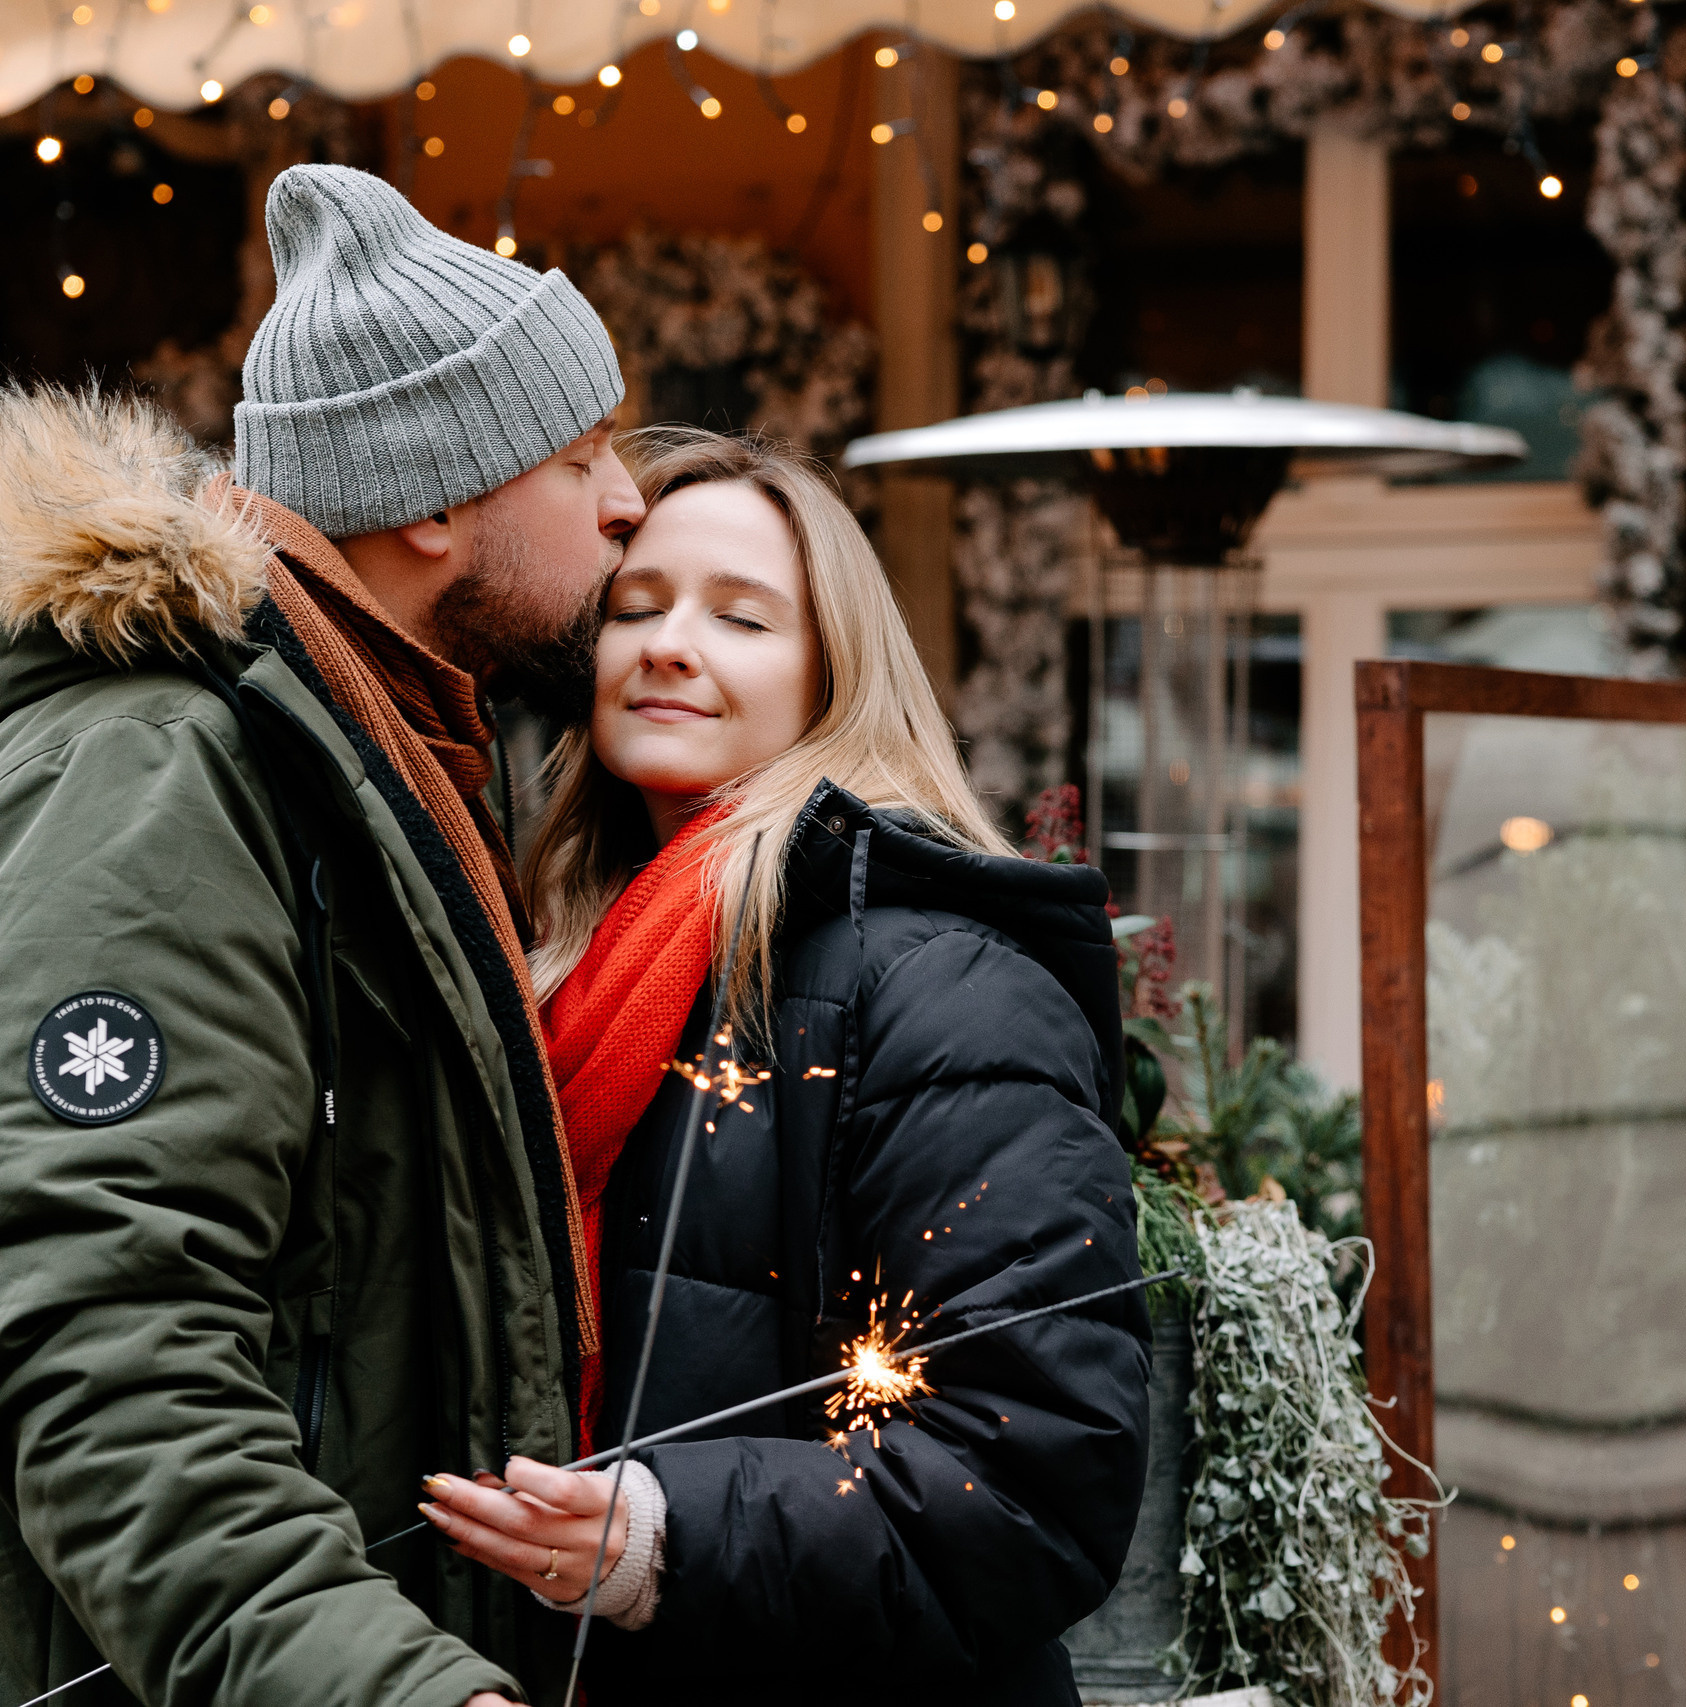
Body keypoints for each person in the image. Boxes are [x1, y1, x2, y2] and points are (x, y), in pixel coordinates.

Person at [0, 165, 641, 1707]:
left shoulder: (341, 744)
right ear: (436, 501)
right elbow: (105, 1343)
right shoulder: (147, 777)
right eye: (580, 454)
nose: (627, 499)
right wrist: (397, 1687)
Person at [416, 428, 1151, 1704]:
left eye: (742, 618)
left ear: (833, 676)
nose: (667, 644)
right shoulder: (556, 975)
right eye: (634, 607)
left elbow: (1035, 1473)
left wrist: (663, 1535)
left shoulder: (943, 984)